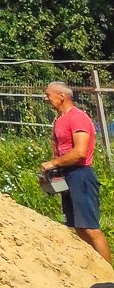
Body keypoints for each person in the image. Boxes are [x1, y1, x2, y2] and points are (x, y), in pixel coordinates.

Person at [41, 82, 111, 264]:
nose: (46, 99)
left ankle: (109, 279)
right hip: (67, 175)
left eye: (48, 95)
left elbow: (80, 152)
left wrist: (53, 163)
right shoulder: (59, 120)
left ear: (61, 96)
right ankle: (94, 268)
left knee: (90, 228)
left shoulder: (78, 118)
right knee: (78, 227)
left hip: (81, 175)